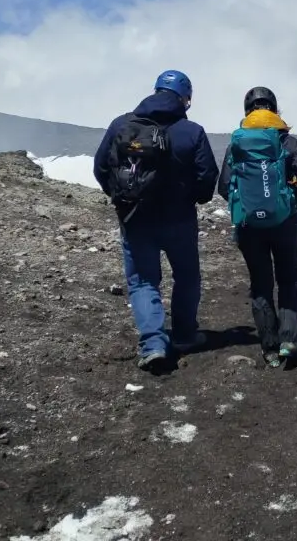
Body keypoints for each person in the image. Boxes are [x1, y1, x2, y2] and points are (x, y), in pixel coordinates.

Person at [93, 70, 219, 372]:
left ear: (155, 90)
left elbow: (100, 168)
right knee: (187, 277)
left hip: (135, 219)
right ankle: (186, 335)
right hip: (179, 221)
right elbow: (207, 177)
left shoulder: (121, 124)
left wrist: (120, 197)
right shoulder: (192, 131)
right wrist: (196, 198)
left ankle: (153, 344)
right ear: (185, 99)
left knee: (143, 281)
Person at [217, 86, 297, 367]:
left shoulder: (237, 144)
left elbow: (224, 188)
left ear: (247, 111)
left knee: (260, 283)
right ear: (274, 108)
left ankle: (269, 347)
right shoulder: (289, 142)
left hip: (249, 227)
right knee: (287, 279)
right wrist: (284, 193)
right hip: (285, 224)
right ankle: (289, 340)